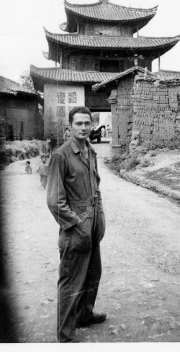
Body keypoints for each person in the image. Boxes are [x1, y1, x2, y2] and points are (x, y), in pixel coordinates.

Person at [46, 106, 107, 342]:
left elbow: (97, 187)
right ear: (69, 126)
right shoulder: (61, 156)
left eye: (87, 123)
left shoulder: (90, 151)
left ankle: (84, 314)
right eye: (78, 123)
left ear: (91, 125)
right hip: (75, 227)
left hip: (92, 222)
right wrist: (76, 223)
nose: (83, 127)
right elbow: (54, 201)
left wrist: (99, 218)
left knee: (93, 273)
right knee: (71, 279)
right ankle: (65, 334)